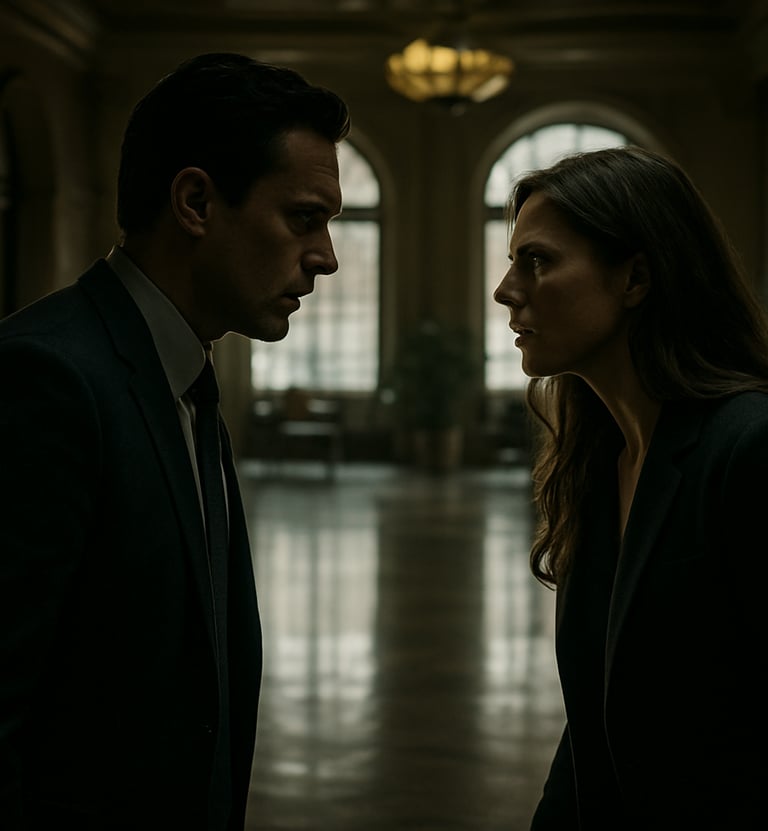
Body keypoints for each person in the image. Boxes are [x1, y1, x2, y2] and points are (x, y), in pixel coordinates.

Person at [0, 52, 349, 829]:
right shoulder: (46, 378)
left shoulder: (184, 374)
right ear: (196, 201)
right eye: (304, 217)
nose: (327, 257)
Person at [493, 146, 768, 829]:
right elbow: (596, 726)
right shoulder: (599, 462)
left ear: (636, 276)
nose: (505, 289)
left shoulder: (750, 447)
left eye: (537, 260)